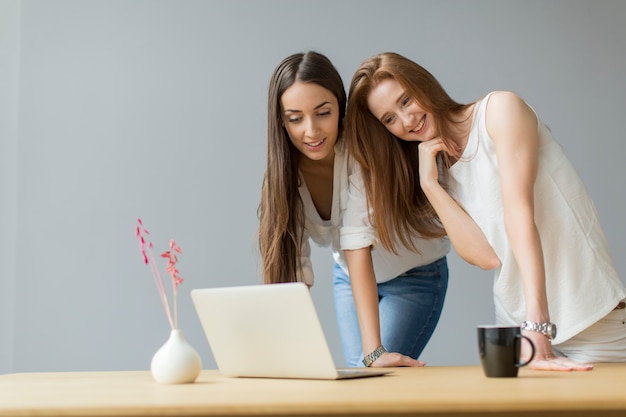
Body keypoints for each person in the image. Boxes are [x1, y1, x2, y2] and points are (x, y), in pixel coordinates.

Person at [344, 51, 626, 371]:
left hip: (587, 321)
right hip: (517, 333)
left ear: (422, 84)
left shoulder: (499, 111)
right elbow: (485, 257)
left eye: (406, 100)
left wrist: (538, 325)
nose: (406, 120)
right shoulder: (440, 169)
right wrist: (430, 185)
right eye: (390, 119)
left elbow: (519, 213)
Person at [258, 51, 451, 368]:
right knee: (359, 382)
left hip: (413, 275)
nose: (312, 131)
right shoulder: (281, 177)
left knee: (370, 371)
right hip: (349, 278)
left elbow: (356, 243)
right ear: (281, 120)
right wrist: (281, 350)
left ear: (340, 107)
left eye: (323, 113)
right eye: (295, 118)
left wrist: (374, 352)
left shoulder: (360, 152)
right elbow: (292, 271)